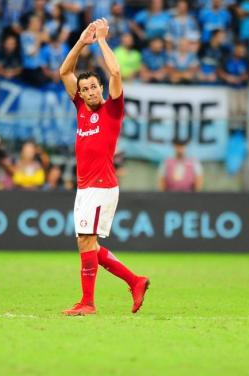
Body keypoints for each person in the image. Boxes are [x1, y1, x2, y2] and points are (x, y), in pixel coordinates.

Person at [59, 18, 149, 316]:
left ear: (100, 88)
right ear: (81, 95)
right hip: (86, 188)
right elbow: (64, 71)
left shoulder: (113, 109)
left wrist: (100, 41)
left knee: (87, 241)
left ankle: (88, 303)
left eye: (95, 86)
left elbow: (116, 71)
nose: (92, 91)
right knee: (87, 246)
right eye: (86, 89)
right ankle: (135, 281)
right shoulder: (81, 110)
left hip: (101, 186)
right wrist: (81, 41)